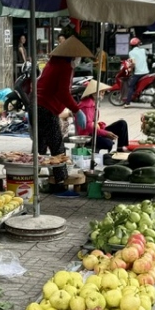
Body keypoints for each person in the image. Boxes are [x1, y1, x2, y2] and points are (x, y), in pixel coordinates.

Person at [35, 35, 93, 193]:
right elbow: (62, 93)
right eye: (79, 56)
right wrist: (77, 110)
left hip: (35, 107)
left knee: (40, 146)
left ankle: (36, 179)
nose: (79, 59)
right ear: (73, 55)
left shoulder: (53, 63)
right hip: (45, 108)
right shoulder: (65, 67)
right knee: (57, 146)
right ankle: (60, 183)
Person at [75, 80, 129, 152]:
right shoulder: (86, 105)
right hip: (88, 135)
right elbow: (88, 127)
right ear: (94, 93)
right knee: (108, 143)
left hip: (95, 131)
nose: (103, 94)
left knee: (122, 124)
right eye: (102, 92)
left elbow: (93, 122)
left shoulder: (93, 103)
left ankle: (120, 149)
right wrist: (105, 133)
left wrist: (101, 126)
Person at [123, 38, 148, 106]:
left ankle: (127, 103)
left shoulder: (131, 52)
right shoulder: (143, 50)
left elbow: (133, 63)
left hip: (138, 73)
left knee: (131, 86)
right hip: (146, 72)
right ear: (138, 44)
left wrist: (130, 68)